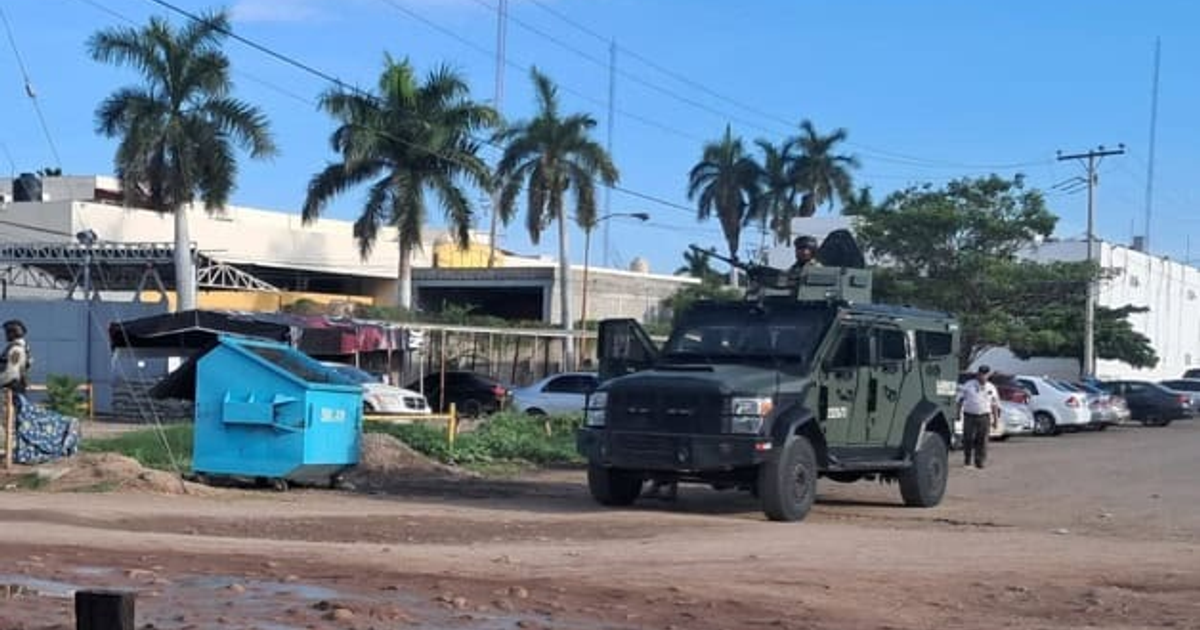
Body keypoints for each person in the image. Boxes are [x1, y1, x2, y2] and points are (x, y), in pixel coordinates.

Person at [957, 365, 1000, 469]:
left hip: (984, 416)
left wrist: (996, 420)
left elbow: (994, 405)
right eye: (981, 374)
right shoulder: (968, 385)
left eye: (985, 375)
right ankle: (967, 460)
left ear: (988, 375)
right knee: (968, 438)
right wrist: (957, 413)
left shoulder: (991, 387)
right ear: (978, 374)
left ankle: (979, 461)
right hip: (969, 415)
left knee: (982, 440)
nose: (983, 377)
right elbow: (959, 400)